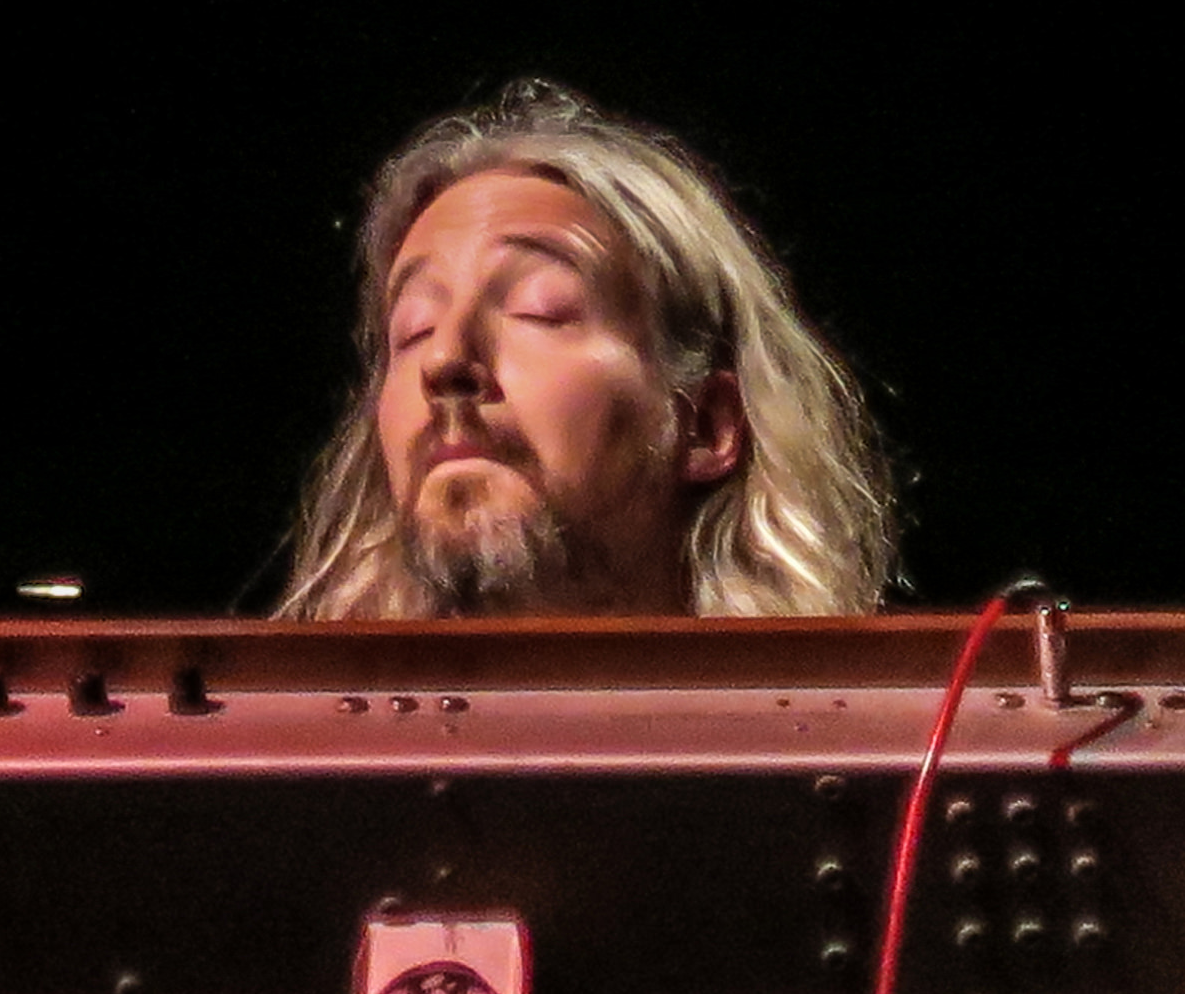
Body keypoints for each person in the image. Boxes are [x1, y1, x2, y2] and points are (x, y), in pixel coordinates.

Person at [274, 80, 895, 620]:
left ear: (707, 425)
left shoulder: (847, 726)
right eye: (412, 330)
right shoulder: (290, 725)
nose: (444, 361)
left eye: (539, 309)